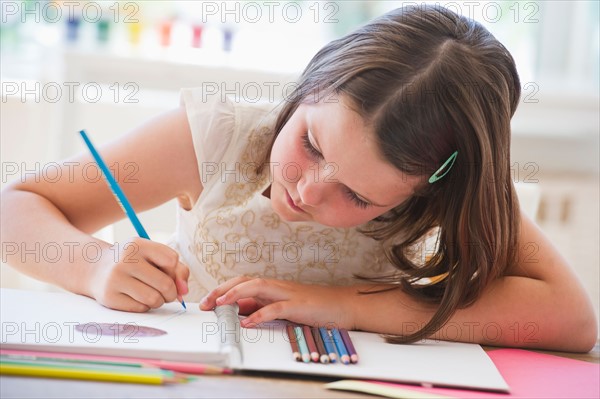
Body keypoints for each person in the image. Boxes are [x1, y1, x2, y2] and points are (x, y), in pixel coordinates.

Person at [1, 5, 596, 352]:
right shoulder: (215, 138)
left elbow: (570, 319)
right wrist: (94, 267)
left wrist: (347, 307)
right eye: (311, 144)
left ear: (431, 189)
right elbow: (15, 208)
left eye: (357, 195)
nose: (307, 190)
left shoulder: (445, 185)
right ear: (312, 82)